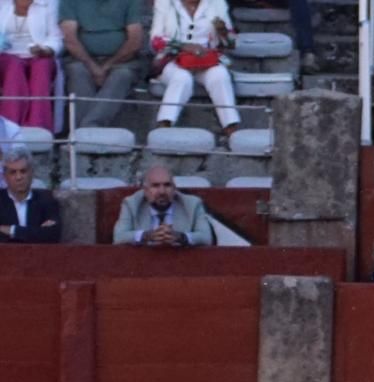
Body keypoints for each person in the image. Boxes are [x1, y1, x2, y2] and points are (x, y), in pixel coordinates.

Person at [151, 0, 241, 142]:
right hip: (172, 59)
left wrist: (224, 33)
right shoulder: (165, 3)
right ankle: (165, 124)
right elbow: (155, 40)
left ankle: (231, 127)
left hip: (206, 59)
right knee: (182, 77)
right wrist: (183, 46)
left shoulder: (217, 3)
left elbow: (232, 43)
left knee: (220, 75)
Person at [58, 0, 145, 128]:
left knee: (123, 75)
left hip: (121, 61)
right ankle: (89, 132)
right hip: (81, 59)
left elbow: (135, 41)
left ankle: (87, 128)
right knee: (77, 71)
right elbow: (70, 39)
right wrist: (93, 67)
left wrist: (107, 66)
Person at [112, 165, 214, 247]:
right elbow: (119, 237)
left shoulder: (193, 204)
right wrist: (147, 236)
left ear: (174, 188)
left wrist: (181, 237)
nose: (162, 191)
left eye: (167, 185)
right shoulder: (131, 204)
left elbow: (206, 238)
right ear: (145, 190)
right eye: (155, 186)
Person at [0, 0, 60, 131]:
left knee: (42, 67)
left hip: (40, 54)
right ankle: (10, 130)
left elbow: (55, 37)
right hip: (6, 55)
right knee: (13, 67)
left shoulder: (49, 3)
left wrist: (46, 50)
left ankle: (39, 129)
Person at [0, 147, 59, 241]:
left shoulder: (46, 200)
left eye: (23, 171)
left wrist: (12, 230)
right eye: (13, 172)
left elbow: (52, 234)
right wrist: (36, 232)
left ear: (32, 173)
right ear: (4, 177)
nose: (19, 177)